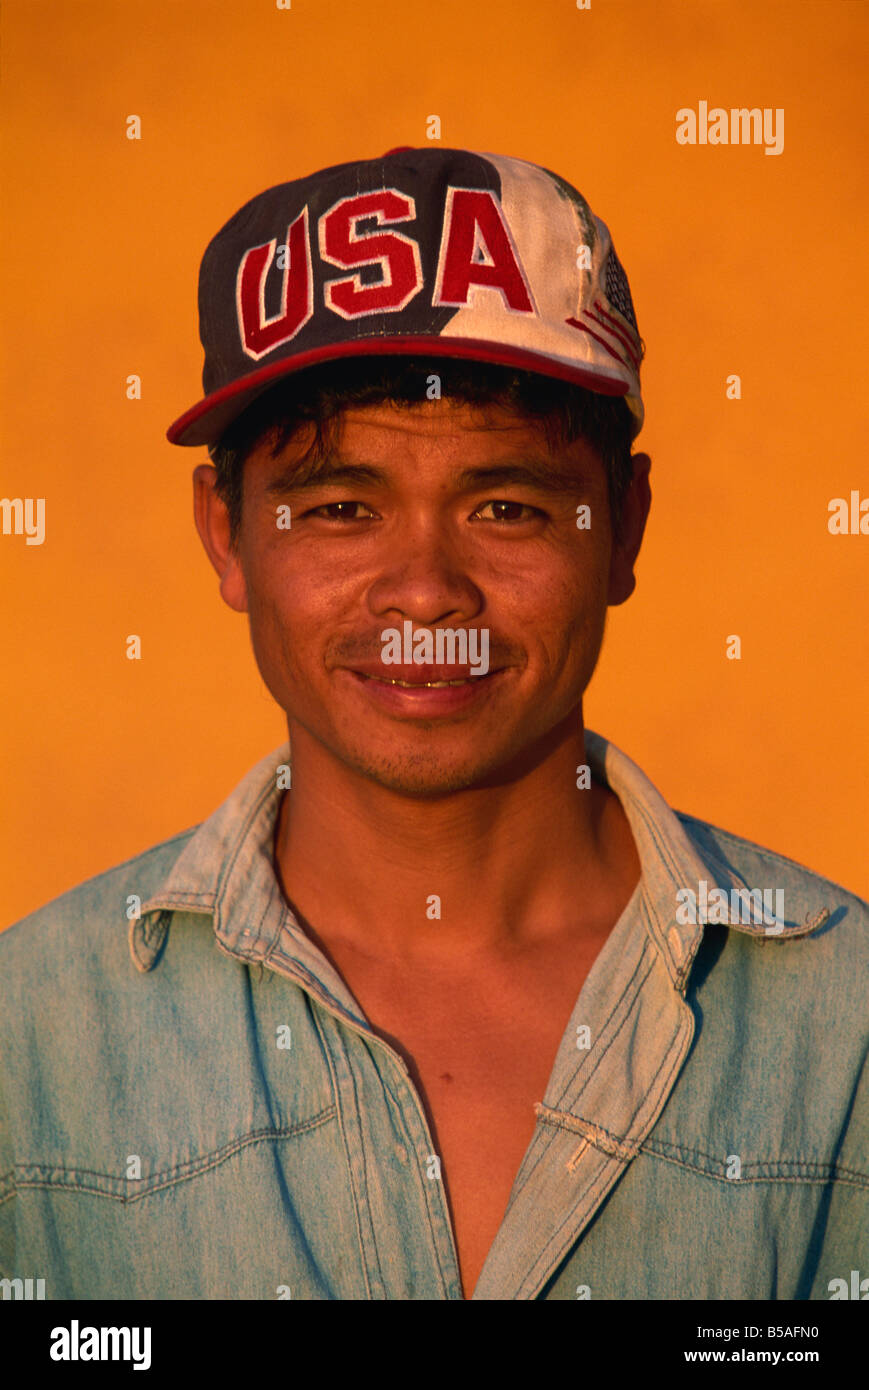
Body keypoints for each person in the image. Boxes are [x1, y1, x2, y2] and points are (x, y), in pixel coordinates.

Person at [1, 148, 865, 1302]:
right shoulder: (31, 1041)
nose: (422, 590)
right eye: (340, 507)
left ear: (621, 529)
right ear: (226, 534)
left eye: (503, 505)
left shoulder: (842, 1028)